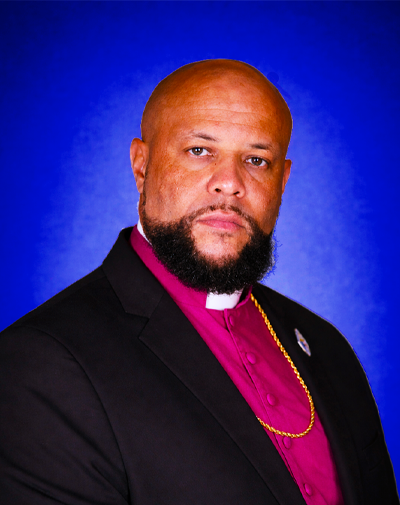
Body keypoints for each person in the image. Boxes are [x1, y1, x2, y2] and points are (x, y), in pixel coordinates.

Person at [0, 59, 398, 505]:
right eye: (199, 151)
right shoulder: (42, 363)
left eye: (256, 160)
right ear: (142, 165)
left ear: (282, 181)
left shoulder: (327, 348)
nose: (229, 184)